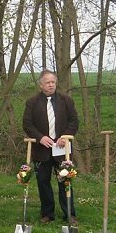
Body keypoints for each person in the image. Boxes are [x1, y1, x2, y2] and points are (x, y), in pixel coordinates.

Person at [22, 70, 80, 224]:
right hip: (42, 150)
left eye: (53, 82)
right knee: (43, 181)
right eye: (47, 82)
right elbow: (27, 124)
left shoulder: (66, 100)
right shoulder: (32, 102)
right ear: (41, 85)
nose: (51, 85)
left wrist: (65, 136)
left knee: (65, 180)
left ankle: (69, 213)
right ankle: (47, 213)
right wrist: (40, 138)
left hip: (62, 149)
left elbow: (74, 121)